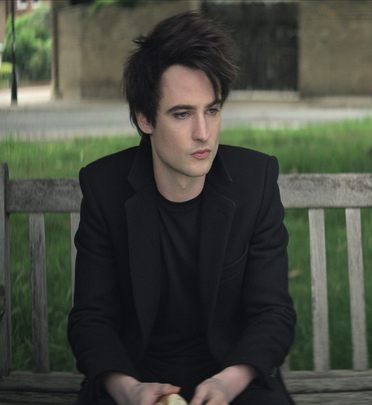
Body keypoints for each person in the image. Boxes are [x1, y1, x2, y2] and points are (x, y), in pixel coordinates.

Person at [67, 12, 296, 405]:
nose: (203, 133)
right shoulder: (105, 188)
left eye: (212, 110)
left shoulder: (254, 181)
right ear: (144, 118)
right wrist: (127, 388)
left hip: (232, 378)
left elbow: (273, 313)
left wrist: (229, 382)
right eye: (182, 114)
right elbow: (91, 319)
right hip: (136, 378)